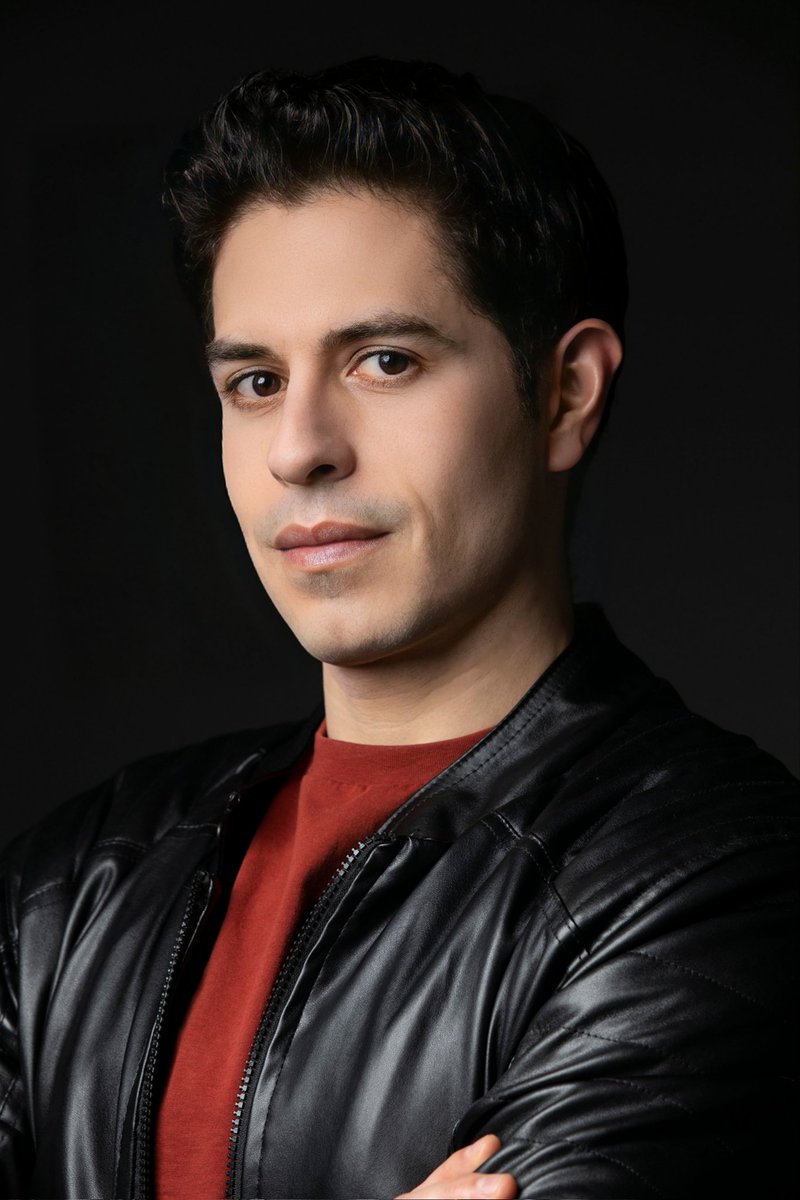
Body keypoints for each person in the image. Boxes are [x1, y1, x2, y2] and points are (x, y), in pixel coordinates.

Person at [0, 56, 797, 1200]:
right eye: (255, 382)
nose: (298, 449)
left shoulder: (713, 878)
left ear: (564, 393)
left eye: (384, 361)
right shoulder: (72, 883)